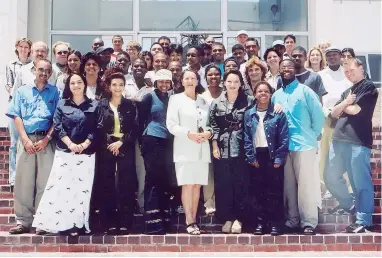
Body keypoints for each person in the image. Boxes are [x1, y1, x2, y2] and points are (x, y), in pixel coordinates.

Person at [32, 72, 100, 236]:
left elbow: (98, 127)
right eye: (72, 83)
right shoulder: (62, 104)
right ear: (68, 87)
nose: (76, 86)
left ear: (84, 84)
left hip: (86, 154)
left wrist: (85, 144)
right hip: (65, 153)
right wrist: (70, 143)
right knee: (60, 188)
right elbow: (58, 125)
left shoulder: (94, 105)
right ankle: (50, 223)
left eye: (79, 82)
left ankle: (77, 224)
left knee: (81, 190)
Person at [325, 58, 378, 233]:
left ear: (360, 68)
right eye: (346, 71)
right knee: (329, 175)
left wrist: (343, 105)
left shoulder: (368, 87)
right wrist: (346, 102)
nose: (348, 73)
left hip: (358, 141)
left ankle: (364, 220)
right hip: (339, 139)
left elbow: (356, 110)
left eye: (351, 69)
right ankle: (349, 204)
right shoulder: (348, 92)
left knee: (360, 181)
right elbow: (333, 114)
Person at [6, 59, 60, 234]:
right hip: (26, 140)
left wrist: (47, 139)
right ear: (34, 70)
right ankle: (23, 221)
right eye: (41, 70)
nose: (44, 73)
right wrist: (25, 139)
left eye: (47, 70)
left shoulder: (55, 92)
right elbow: (16, 116)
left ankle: (42, 221)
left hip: (46, 140)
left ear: (51, 73)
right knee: (24, 181)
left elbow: (57, 118)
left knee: (45, 182)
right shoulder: (22, 91)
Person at [272, 59, 324, 235]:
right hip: (284, 147)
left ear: (295, 70)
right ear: (279, 70)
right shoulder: (276, 95)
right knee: (288, 187)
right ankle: (292, 220)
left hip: (304, 144)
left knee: (306, 185)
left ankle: (309, 221)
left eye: (289, 67)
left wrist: (313, 135)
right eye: (283, 67)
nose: (286, 69)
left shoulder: (306, 91)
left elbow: (318, 117)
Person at [166, 70, 212, 235]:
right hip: (185, 148)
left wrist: (208, 132)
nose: (190, 81)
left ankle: (195, 220)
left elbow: (210, 123)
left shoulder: (204, 101)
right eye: (187, 78)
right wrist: (188, 133)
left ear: (198, 80)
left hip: (202, 148)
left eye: (193, 78)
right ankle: (189, 221)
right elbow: (171, 124)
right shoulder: (175, 99)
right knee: (187, 184)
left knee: (197, 184)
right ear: (182, 81)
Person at [209, 70, 254, 234]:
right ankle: (227, 217)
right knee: (224, 185)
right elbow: (212, 125)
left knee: (241, 184)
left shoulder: (249, 101)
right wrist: (214, 146)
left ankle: (239, 218)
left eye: (236, 82)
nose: (232, 85)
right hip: (222, 148)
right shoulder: (216, 103)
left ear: (241, 84)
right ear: (224, 83)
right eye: (229, 82)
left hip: (241, 148)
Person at [244, 81, 288, 236]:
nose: (263, 94)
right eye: (259, 91)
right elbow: (247, 138)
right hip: (257, 157)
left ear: (270, 94)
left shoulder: (278, 113)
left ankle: (276, 223)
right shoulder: (249, 114)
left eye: (266, 91)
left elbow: (283, 138)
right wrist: (251, 157)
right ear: (255, 94)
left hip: (272, 157)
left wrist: (279, 159)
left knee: (274, 192)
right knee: (258, 192)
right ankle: (261, 223)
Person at [97, 72, 138, 234]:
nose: (118, 88)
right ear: (109, 86)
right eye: (114, 84)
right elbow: (99, 126)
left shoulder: (130, 105)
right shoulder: (101, 104)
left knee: (125, 185)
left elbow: (135, 127)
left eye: (121, 84)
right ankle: (109, 223)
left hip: (125, 146)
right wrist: (110, 143)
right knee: (107, 184)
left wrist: (121, 142)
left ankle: (125, 222)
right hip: (107, 147)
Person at [139, 69, 173, 235]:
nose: (164, 85)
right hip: (151, 140)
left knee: (164, 181)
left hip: (167, 141)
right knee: (152, 180)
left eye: (167, 82)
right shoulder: (149, 97)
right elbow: (140, 120)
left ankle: (164, 220)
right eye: (161, 81)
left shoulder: (172, 98)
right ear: (156, 82)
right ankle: (153, 224)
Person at [318, 46, 353, 200]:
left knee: (343, 155)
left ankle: (346, 190)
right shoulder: (320, 75)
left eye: (334, 55)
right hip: (325, 120)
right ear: (326, 58)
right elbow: (317, 99)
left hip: (344, 120)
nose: (332, 58)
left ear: (340, 57)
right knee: (323, 155)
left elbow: (352, 96)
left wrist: (340, 113)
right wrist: (328, 113)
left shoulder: (347, 74)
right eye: (329, 56)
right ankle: (324, 189)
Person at [125, 58, 154, 212]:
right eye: (135, 66)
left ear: (146, 68)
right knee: (126, 170)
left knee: (142, 170)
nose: (138, 68)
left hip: (143, 133)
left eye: (141, 66)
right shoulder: (125, 84)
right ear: (131, 67)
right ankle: (127, 203)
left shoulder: (151, 87)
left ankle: (142, 204)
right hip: (126, 133)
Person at [5, 38, 32, 191]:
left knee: (28, 139)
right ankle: (13, 178)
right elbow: (8, 84)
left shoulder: (32, 66)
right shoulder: (11, 65)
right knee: (14, 143)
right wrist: (17, 95)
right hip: (15, 105)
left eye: (26, 47)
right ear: (17, 48)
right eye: (21, 47)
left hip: (29, 107)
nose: (23, 49)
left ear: (29, 49)